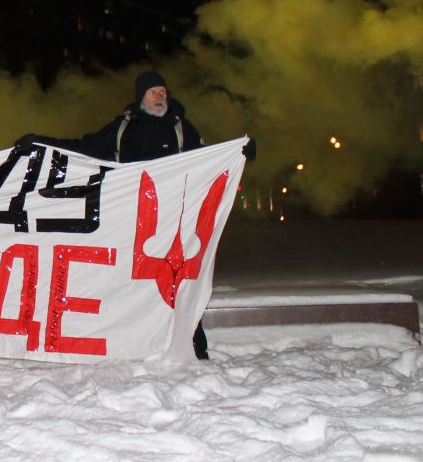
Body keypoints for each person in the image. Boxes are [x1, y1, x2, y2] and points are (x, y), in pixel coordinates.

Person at [16, 70, 257, 360]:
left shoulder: (182, 128)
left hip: (174, 222)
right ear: (141, 96)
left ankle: (193, 342)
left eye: (163, 91)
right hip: (131, 222)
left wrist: (239, 151)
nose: (160, 96)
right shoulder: (123, 129)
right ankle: (131, 342)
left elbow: (209, 159)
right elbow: (83, 148)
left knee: (178, 282)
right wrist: (41, 143)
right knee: (128, 284)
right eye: (153, 91)